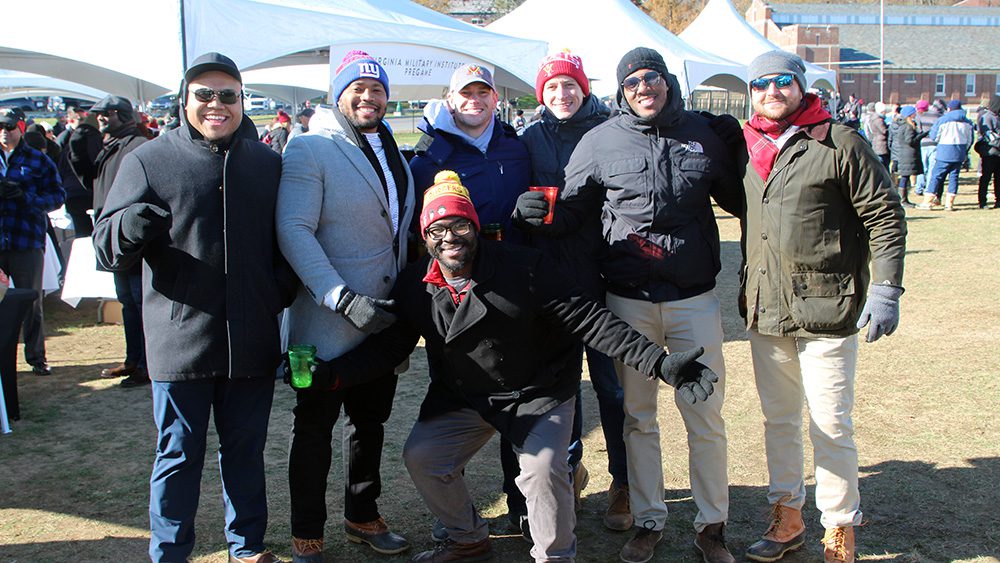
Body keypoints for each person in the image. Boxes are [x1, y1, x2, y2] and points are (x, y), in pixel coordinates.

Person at [309, 171, 719, 563]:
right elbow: (388, 348)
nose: (450, 238)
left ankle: (555, 555)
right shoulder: (416, 283)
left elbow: (591, 320)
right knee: (424, 456)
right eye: (437, 230)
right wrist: (332, 375)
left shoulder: (524, 267)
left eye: (460, 226)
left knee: (541, 470)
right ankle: (467, 539)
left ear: (475, 226)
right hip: (467, 396)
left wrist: (660, 364)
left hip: (538, 392)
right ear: (426, 238)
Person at [92, 52, 296, 563]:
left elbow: (287, 241)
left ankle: (247, 547)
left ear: (242, 101)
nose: (216, 104)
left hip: (251, 338)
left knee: (245, 455)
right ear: (185, 101)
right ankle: (170, 553)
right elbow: (104, 245)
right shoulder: (149, 160)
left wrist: (276, 292)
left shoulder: (268, 162)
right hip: (179, 340)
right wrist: (130, 225)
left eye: (228, 95)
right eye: (204, 94)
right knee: (179, 456)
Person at [553, 47, 744, 563]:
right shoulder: (599, 141)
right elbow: (570, 214)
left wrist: (740, 151)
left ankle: (712, 526)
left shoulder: (702, 133)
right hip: (628, 304)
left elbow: (741, 200)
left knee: (704, 414)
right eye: (633, 80)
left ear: (667, 83)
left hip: (693, 301)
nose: (644, 87)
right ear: (621, 90)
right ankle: (649, 518)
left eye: (652, 77)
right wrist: (539, 213)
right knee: (638, 417)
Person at [738, 51, 906, 563]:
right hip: (767, 311)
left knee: (831, 424)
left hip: (828, 311)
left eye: (782, 81)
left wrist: (886, 290)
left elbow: (885, 217)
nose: (772, 91)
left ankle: (839, 527)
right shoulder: (747, 147)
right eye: (761, 83)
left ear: (801, 86)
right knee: (779, 421)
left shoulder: (839, 143)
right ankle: (787, 516)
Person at [277, 49, 413, 562]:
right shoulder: (310, 147)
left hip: (380, 321)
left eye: (377, 88)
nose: (368, 96)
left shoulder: (393, 148)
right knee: (312, 427)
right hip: (323, 323)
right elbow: (293, 228)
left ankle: (362, 514)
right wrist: (339, 296)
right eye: (357, 87)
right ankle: (306, 532)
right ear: (338, 93)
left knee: (370, 424)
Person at [513, 49, 633, 533]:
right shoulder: (528, 139)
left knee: (612, 387)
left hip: (603, 276)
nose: (562, 94)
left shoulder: (609, 131)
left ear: (585, 89)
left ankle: (623, 483)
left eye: (570, 85)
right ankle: (571, 469)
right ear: (540, 92)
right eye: (552, 86)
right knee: (565, 387)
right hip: (551, 281)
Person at [409, 64, 530, 243]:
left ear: (495, 98)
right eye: (465, 93)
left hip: (517, 262)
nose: (474, 100)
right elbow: (418, 231)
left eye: (483, 92)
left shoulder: (518, 148)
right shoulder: (428, 161)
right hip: (463, 267)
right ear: (451, 99)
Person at [84, 95, 151, 386]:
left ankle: (147, 365)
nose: (100, 118)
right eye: (99, 114)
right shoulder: (111, 148)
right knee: (127, 302)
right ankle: (133, 359)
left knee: (139, 303)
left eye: (107, 113)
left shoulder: (138, 147)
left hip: (133, 242)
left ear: (123, 115)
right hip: (113, 238)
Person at [0, 106, 64, 377]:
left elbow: (57, 197)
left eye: (9, 127)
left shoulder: (38, 159)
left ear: (21, 128)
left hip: (26, 240)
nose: (4, 132)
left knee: (31, 302)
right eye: (0, 127)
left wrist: (26, 198)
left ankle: (37, 357)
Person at [920, 99, 974, 211]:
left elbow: (934, 135)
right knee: (954, 177)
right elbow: (970, 140)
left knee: (936, 176)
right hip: (960, 151)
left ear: (949, 109)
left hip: (944, 150)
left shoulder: (943, 120)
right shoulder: (967, 122)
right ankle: (949, 204)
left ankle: (928, 201)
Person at [889, 105, 925, 209]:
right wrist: (921, 135)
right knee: (904, 177)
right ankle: (903, 200)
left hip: (902, 154)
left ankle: (904, 199)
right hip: (907, 154)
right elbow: (910, 141)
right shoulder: (908, 126)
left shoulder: (902, 125)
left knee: (905, 177)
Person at [974, 95, 1000, 209]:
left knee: (998, 179)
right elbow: (990, 137)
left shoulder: (997, 117)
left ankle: (998, 200)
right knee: (986, 178)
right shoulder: (986, 117)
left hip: (998, 153)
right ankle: (982, 201)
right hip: (989, 153)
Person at [913, 99, 943, 198]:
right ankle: (928, 189)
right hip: (934, 144)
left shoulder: (919, 117)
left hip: (923, 144)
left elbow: (919, 130)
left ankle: (919, 188)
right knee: (931, 168)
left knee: (922, 168)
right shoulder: (938, 116)